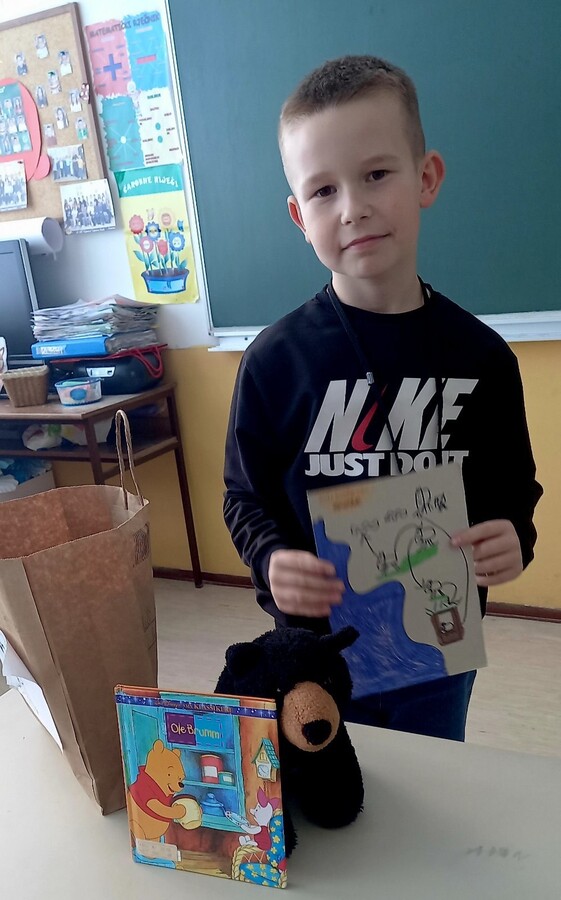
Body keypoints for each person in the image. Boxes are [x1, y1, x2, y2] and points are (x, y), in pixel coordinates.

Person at [223, 56, 542, 742]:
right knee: (328, 786)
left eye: (375, 175)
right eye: (322, 190)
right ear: (297, 215)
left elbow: (513, 488)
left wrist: (514, 535)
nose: (352, 208)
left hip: (437, 645)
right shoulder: (275, 363)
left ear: (425, 177)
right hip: (317, 652)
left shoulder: (482, 358)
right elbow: (243, 497)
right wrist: (270, 559)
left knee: (429, 778)